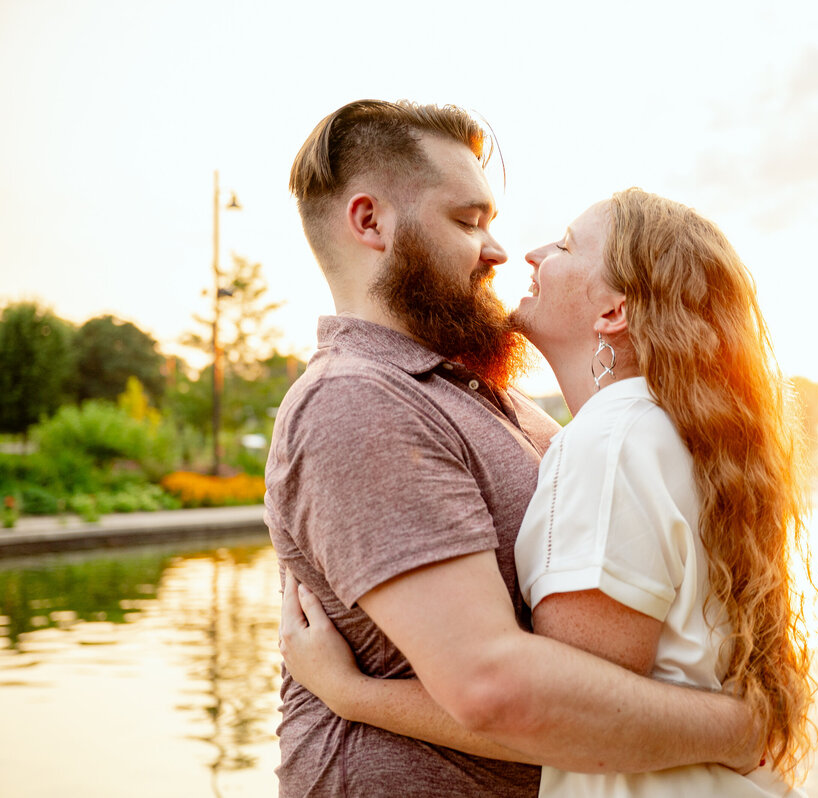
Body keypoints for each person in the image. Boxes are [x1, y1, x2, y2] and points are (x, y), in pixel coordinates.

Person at [267, 99, 764, 797]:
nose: (502, 251)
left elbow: (615, 664)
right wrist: (741, 729)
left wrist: (354, 690)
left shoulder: (511, 408)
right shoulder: (358, 400)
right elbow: (494, 685)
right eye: (468, 222)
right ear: (370, 221)